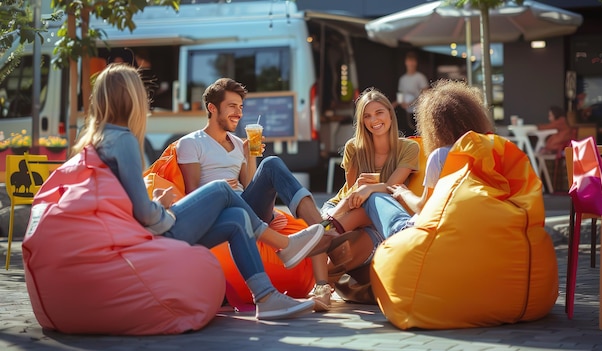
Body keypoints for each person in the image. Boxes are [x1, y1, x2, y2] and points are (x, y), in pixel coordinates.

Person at [72, 63, 326, 320]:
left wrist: (249, 156)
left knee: (238, 218)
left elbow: (123, 201)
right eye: (141, 93)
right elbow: (145, 211)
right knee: (221, 190)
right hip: (161, 227)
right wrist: (162, 207)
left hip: (225, 211)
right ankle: (286, 245)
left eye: (240, 107)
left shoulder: (94, 138)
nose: (147, 101)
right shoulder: (131, 140)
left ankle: (267, 298)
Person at [176, 78, 351, 312]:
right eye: (232, 106)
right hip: (218, 213)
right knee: (253, 175)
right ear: (212, 108)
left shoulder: (239, 144)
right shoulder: (190, 143)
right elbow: (192, 195)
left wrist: (250, 156)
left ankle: (321, 236)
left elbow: (249, 187)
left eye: (240, 107)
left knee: (271, 163)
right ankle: (306, 245)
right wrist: (220, 187)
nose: (238, 113)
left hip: (247, 209)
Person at [363, 79, 494, 239]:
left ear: (434, 125)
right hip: (471, 229)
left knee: (375, 198)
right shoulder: (489, 149)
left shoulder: (440, 156)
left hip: (425, 235)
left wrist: (403, 193)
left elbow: (424, 208)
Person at [317, 87, 421, 280]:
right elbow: (350, 194)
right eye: (367, 116)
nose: (374, 121)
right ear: (362, 121)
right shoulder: (354, 147)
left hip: (378, 215)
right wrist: (359, 187)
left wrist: (370, 188)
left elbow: (392, 187)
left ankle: (318, 235)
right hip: (343, 207)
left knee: (340, 255)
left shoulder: (408, 147)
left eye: (379, 113)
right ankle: (322, 232)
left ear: (390, 113)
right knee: (339, 241)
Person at [392, 51, 429, 136]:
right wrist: (399, 103)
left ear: (416, 63)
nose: (411, 63)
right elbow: (400, 94)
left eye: (413, 61)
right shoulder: (402, 79)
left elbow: (426, 93)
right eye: (409, 61)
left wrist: (413, 102)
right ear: (406, 62)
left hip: (419, 112)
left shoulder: (420, 77)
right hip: (407, 113)